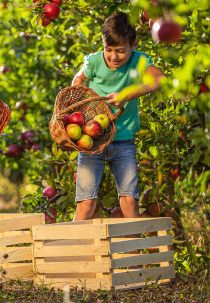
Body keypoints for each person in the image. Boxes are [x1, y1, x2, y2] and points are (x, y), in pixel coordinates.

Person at [71, 12, 165, 221]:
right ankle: (70, 252)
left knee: (129, 202)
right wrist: (78, 113)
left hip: (123, 142)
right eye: (108, 49)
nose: (113, 56)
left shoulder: (139, 61)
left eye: (121, 51)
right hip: (92, 141)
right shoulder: (95, 61)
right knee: (86, 203)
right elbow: (78, 80)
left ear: (134, 44)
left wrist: (128, 95)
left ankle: (133, 252)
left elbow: (160, 79)